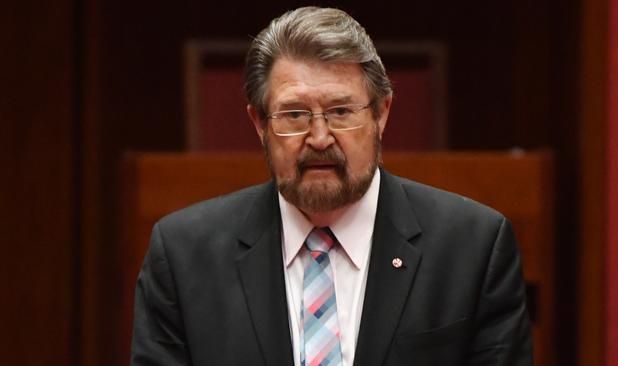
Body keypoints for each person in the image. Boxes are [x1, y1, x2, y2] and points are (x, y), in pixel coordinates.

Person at [131, 6, 532, 366]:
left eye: (341, 111)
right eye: (294, 114)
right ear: (259, 123)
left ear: (382, 114)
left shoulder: (472, 248)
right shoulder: (184, 256)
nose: (319, 137)